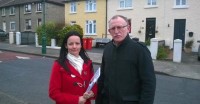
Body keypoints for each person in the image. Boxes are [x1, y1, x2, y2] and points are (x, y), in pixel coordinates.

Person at [95, 15, 156, 104]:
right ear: (109, 31)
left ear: (128, 28)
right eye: (113, 28)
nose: (116, 31)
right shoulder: (108, 48)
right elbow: (102, 78)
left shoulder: (139, 50)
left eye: (119, 27)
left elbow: (149, 83)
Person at [49, 31, 97, 104]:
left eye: (77, 43)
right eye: (71, 44)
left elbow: (93, 84)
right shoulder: (58, 64)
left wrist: (92, 92)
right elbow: (53, 93)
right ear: (66, 45)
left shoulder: (88, 63)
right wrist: (76, 100)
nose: (74, 46)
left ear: (81, 45)